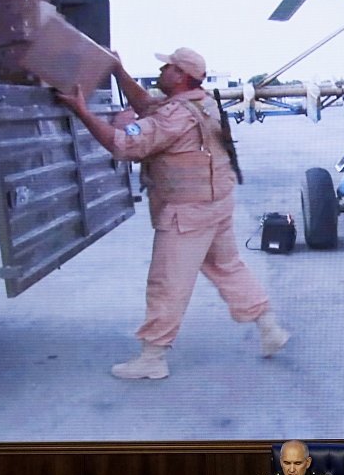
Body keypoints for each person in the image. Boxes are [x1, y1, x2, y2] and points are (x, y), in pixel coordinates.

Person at [55, 47, 289, 379]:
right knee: (227, 267)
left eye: (167, 67)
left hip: (188, 212)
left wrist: (82, 110)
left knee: (167, 283)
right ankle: (269, 327)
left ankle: (153, 357)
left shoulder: (175, 116)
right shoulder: (201, 102)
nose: (162, 71)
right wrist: (119, 71)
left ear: (180, 75)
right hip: (215, 203)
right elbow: (149, 107)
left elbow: (124, 145)